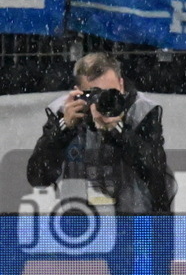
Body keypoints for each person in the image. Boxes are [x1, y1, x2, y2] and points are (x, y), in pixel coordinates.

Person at [27, 52, 174, 213]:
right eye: (95, 95)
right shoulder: (64, 112)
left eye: (112, 93)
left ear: (122, 84)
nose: (104, 101)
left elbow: (156, 174)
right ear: (78, 93)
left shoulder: (140, 111)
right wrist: (64, 128)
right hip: (81, 227)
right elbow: (38, 177)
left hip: (133, 224)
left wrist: (118, 132)